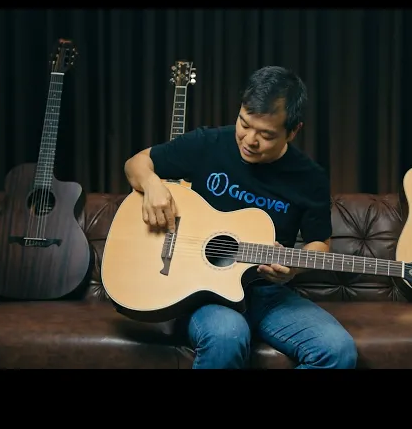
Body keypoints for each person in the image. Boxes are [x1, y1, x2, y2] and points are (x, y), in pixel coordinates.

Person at [124, 65, 358, 369]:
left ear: (293, 131)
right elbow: (136, 163)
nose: (249, 140)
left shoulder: (310, 177)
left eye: (266, 134)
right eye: (244, 124)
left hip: (268, 294)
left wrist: (293, 268)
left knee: (338, 351)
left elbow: (319, 244)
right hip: (202, 290)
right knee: (227, 336)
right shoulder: (208, 143)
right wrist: (152, 185)